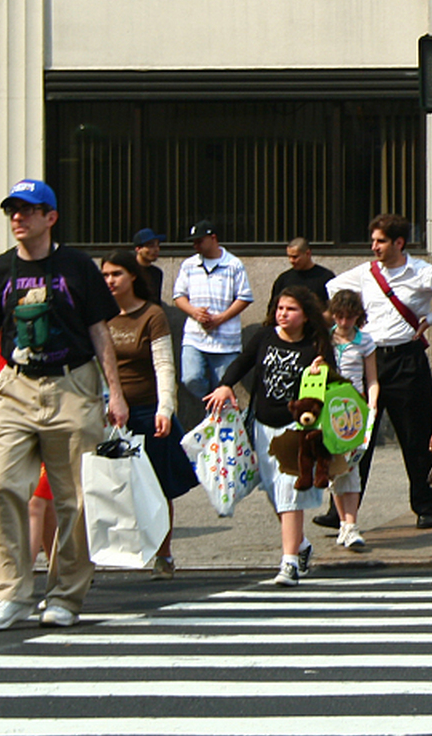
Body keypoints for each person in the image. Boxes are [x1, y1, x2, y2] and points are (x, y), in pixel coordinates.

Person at [0, 179, 128, 631]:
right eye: (12, 211)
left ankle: (65, 596)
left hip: (71, 385)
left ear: (50, 217)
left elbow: (100, 331)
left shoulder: (76, 267)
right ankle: (9, 592)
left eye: (28, 210)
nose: (19, 218)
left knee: (74, 498)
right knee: (0, 485)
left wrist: (113, 392)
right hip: (15, 388)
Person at [326, 214, 432, 529]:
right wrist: (353, 322)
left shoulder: (420, 272)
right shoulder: (365, 273)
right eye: (373, 240)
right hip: (370, 360)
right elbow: (333, 288)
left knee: (416, 438)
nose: (374, 247)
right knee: (355, 435)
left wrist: (431, 319)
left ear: (398, 243)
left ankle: (426, 506)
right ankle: (342, 511)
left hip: (407, 360)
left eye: (380, 241)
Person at [203, 285, 335, 588]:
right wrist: (225, 385)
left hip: (298, 428)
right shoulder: (265, 337)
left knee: (290, 490)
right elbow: (242, 362)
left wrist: (323, 370)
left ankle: (288, 563)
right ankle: (301, 546)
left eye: (290, 309)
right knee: (275, 492)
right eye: (279, 308)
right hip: (263, 425)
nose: (283, 314)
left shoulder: (316, 343)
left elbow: (333, 383)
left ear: (305, 315)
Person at [99, 250, 195, 579]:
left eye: (116, 274)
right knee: (109, 488)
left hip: (148, 412)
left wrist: (165, 409)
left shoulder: (152, 315)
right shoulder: (100, 316)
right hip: (110, 415)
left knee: (158, 487)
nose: (109, 281)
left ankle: (163, 554)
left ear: (132, 278)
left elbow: (164, 366)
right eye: (105, 275)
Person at [323, 288, 379, 550]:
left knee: (352, 466)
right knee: (336, 468)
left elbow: (372, 378)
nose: (344, 323)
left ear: (358, 316)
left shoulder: (365, 341)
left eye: (349, 317)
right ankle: (344, 525)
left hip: (354, 409)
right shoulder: (325, 340)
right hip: (330, 407)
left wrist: (373, 403)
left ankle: (351, 524)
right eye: (339, 316)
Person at [170, 221, 252, 399]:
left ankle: (217, 417)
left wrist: (220, 319)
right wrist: (193, 312)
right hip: (195, 336)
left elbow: (244, 297)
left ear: (213, 238)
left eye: (200, 241)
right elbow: (179, 296)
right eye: (194, 242)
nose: (196, 245)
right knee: (190, 378)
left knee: (222, 385)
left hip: (225, 341)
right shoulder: (189, 265)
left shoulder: (233, 264)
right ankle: (208, 399)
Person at [270, 238, 335, 307]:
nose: (291, 260)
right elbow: (273, 308)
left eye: (295, 257)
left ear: (308, 254)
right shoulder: (283, 279)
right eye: (289, 257)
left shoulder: (326, 277)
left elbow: (333, 308)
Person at [132, 229, 165, 302]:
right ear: (138, 249)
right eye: (151, 246)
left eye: (157, 245)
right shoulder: (130, 271)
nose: (156, 249)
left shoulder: (157, 273)